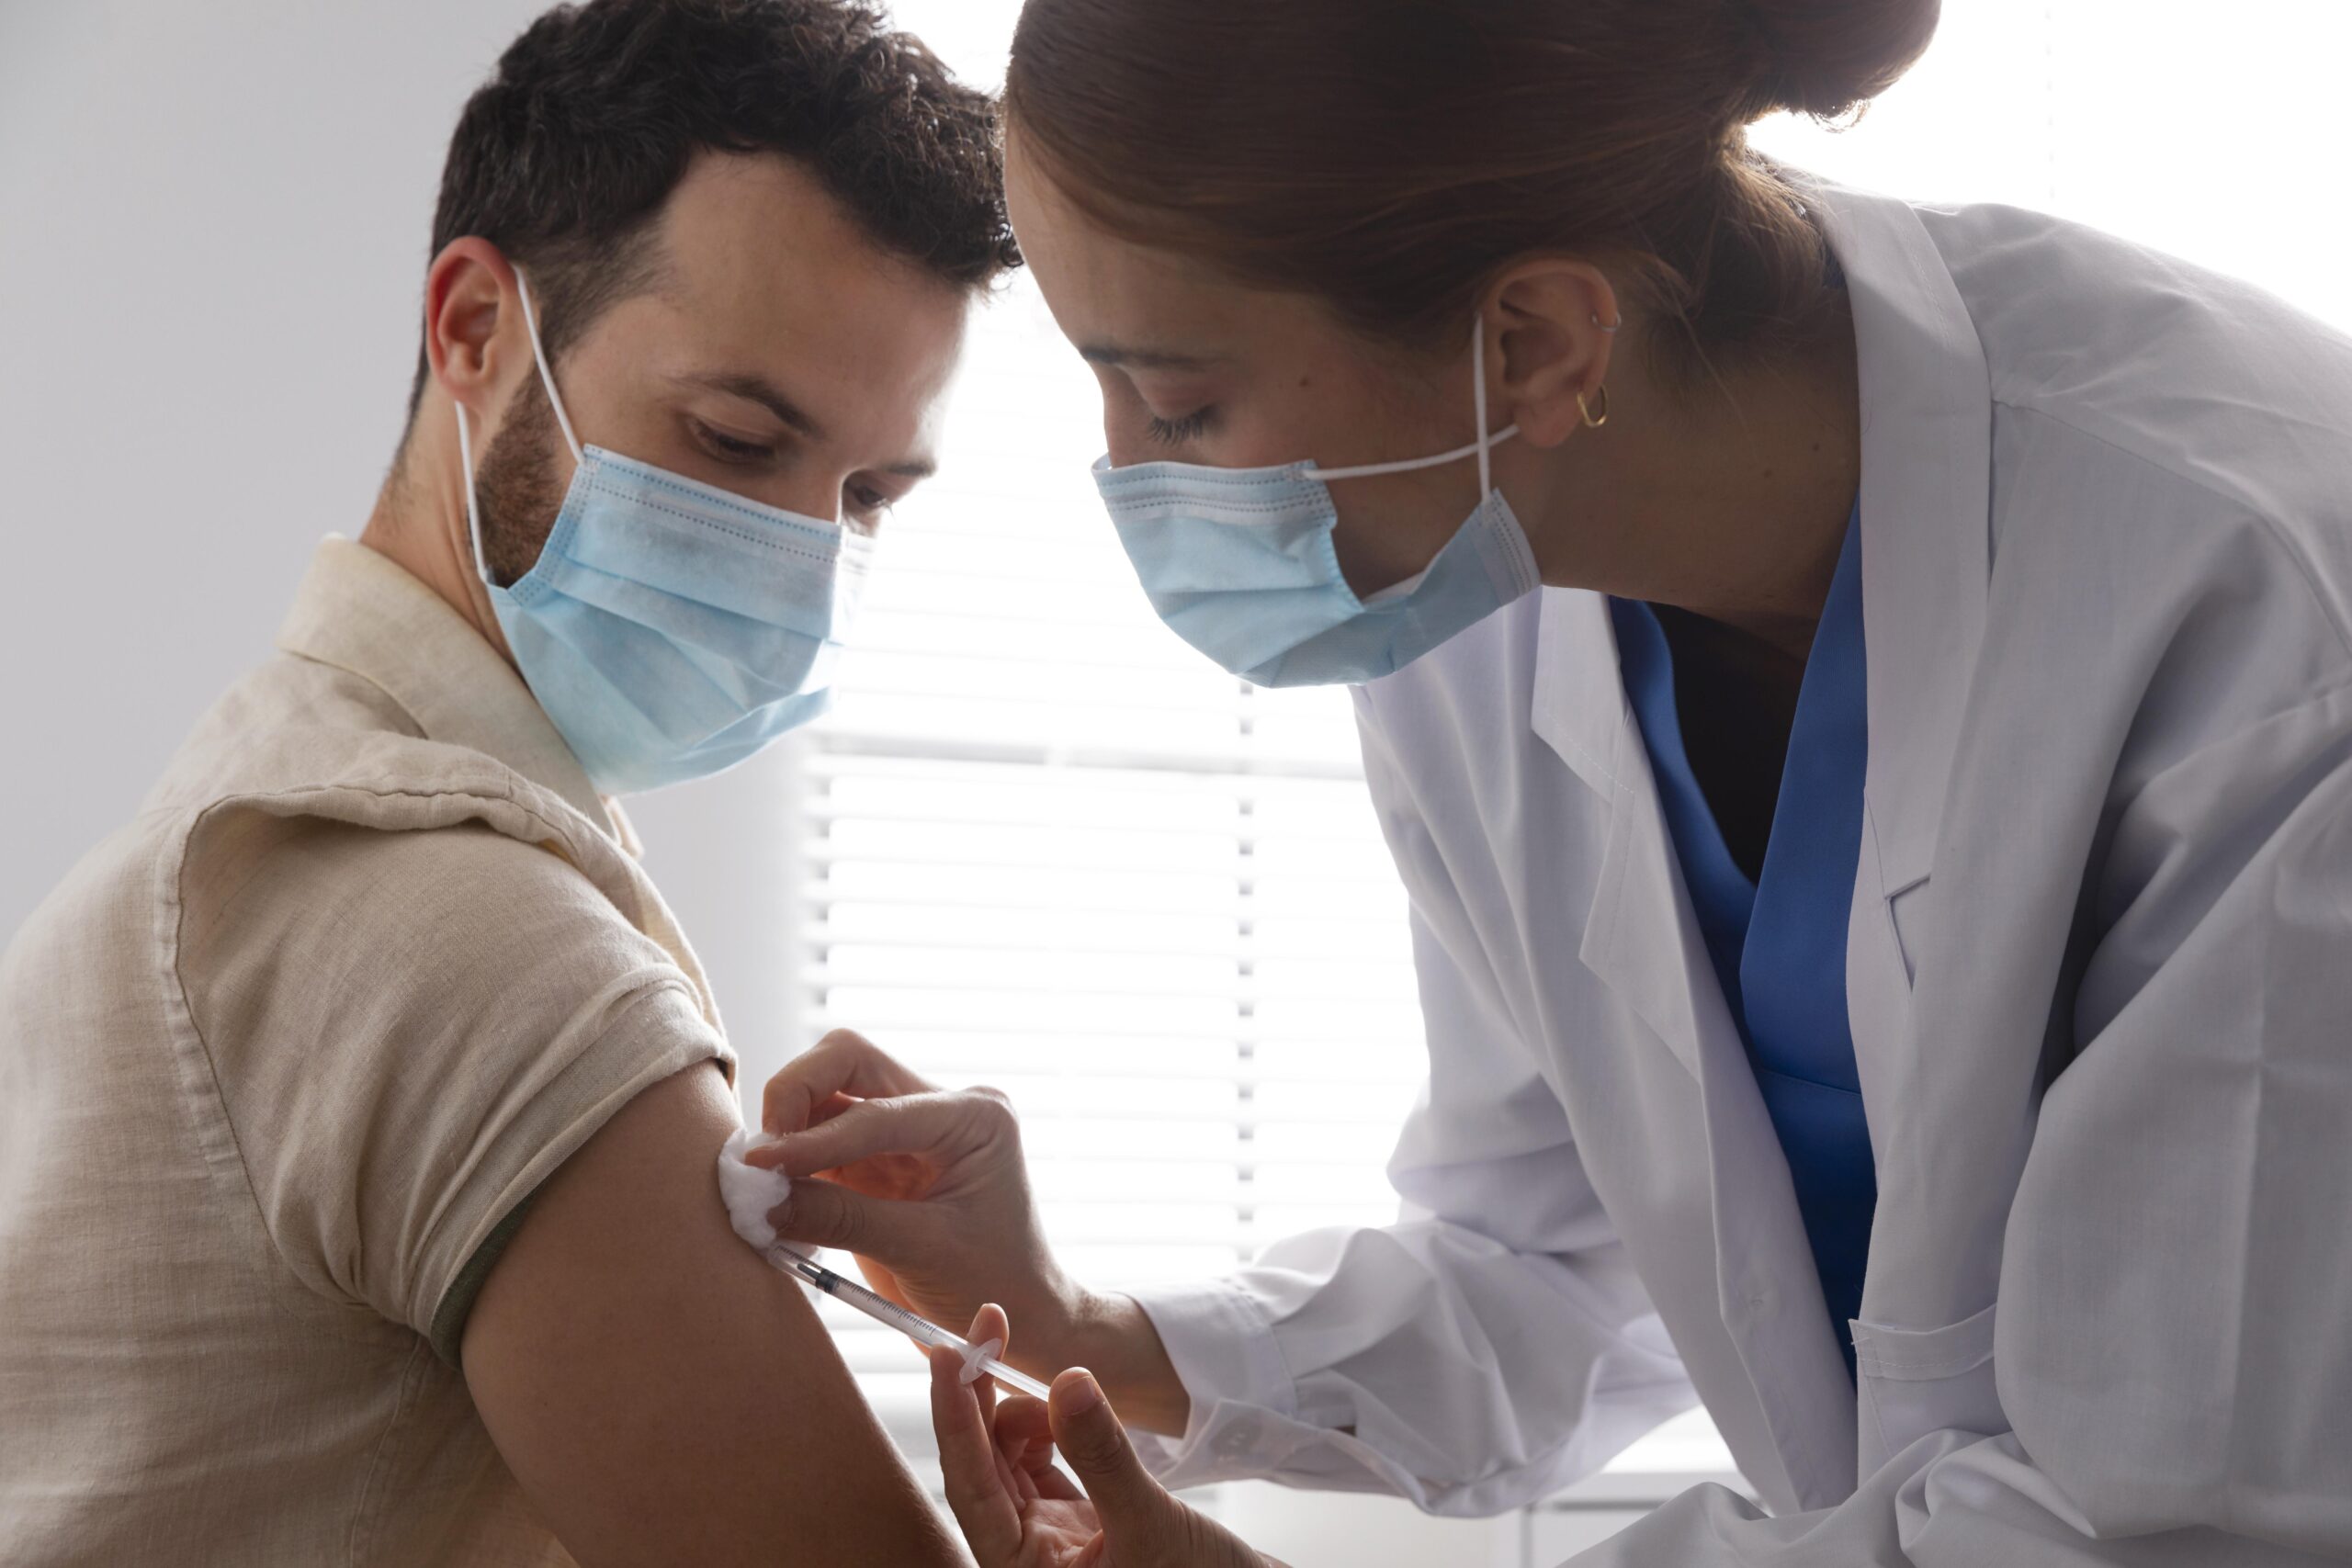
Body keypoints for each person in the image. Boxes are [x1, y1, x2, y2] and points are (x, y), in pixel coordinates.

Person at [747, 0, 2352, 1562]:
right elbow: (1551, 1268)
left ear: (1531, 344)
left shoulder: (2255, 598)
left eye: (1180, 403)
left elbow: (2167, 1519)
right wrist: (1082, 1322)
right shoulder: (1471, 571)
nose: (1129, 479)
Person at [0, 1, 1017, 1561]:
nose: (808, 572)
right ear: (474, 329)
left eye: (870, 496)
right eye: (740, 439)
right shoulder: (464, 936)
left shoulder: (232, 822)